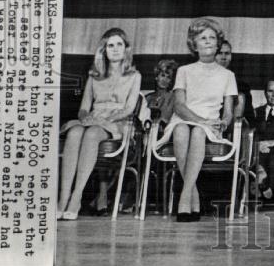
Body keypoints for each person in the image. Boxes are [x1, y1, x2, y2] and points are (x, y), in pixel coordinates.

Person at [155, 17, 238, 222]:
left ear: (218, 43)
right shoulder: (184, 71)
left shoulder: (228, 75)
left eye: (212, 37)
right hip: (184, 119)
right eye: (203, 38)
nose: (208, 41)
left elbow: (228, 112)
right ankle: (193, 196)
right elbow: (180, 106)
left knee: (198, 131)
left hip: (209, 125)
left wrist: (224, 123)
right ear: (194, 44)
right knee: (182, 129)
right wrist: (200, 120)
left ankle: (185, 197)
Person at [57, 27, 142, 220]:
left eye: (119, 44)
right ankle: (63, 198)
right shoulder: (94, 76)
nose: (115, 49)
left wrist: (104, 120)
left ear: (126, 49)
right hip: (94, 118)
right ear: (103, 50)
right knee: (75, 132)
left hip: (118, 121)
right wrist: (86, 116)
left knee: (93, 132)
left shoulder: (134, 76)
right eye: (110, 45)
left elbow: (129, 109)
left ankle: (76, 197)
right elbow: (84, 108)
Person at [146, 58, 179, 125]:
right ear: (156, 77)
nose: (165, 80)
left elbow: (165, 119)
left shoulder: (172, 97)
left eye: (168, 77)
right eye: (163, 75)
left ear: (171, 81)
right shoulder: (148, 98)